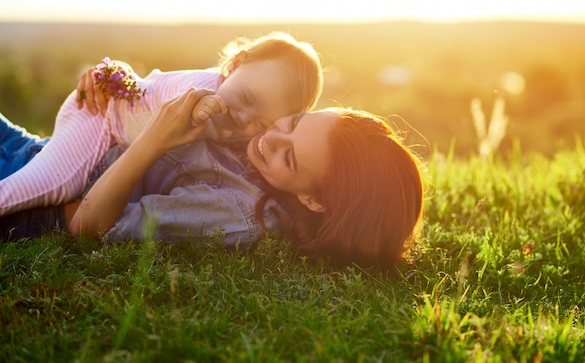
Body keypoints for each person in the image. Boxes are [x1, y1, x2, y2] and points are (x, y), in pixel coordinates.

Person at [1, 89, 425, 268]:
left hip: (37, 194)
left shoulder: (238, 212)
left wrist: (153, 140)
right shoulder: (262, 140)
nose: (270, 138)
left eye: (290, 157)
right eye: (293, 122)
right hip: (49, 151)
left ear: (315, 201)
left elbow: (88, 226)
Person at [0, 31, 323, 216]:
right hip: (99, 116)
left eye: (262, 122)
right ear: (235, 64)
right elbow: (183, 105)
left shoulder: (246, 129)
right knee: (55, 182)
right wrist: (112, 71)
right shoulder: (201, 88)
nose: (243, 118)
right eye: (248, 99)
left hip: (67, 136)